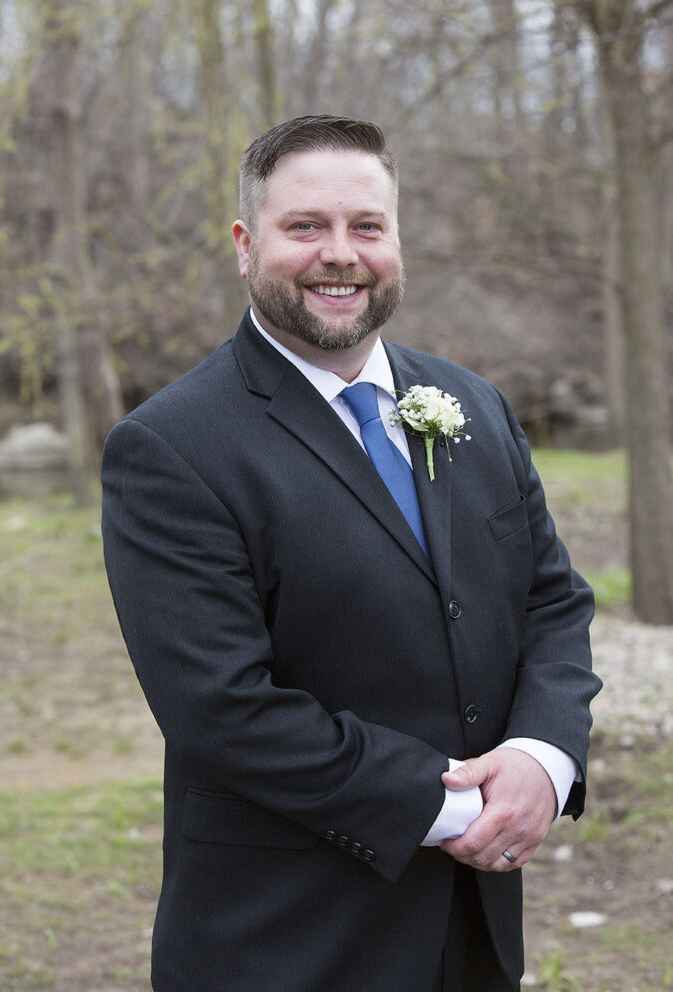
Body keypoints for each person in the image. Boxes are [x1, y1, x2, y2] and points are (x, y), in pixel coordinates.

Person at [101, 115, 601, 992]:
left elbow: (552, 603)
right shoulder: (171, 446)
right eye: (306, 227)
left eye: (366, 226)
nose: (342, 254)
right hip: (288, 938)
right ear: (246, 245)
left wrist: (543, 759)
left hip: (474, 931)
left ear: (396, 238)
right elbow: (221, 707)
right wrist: (453, 808)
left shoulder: (471, 403)